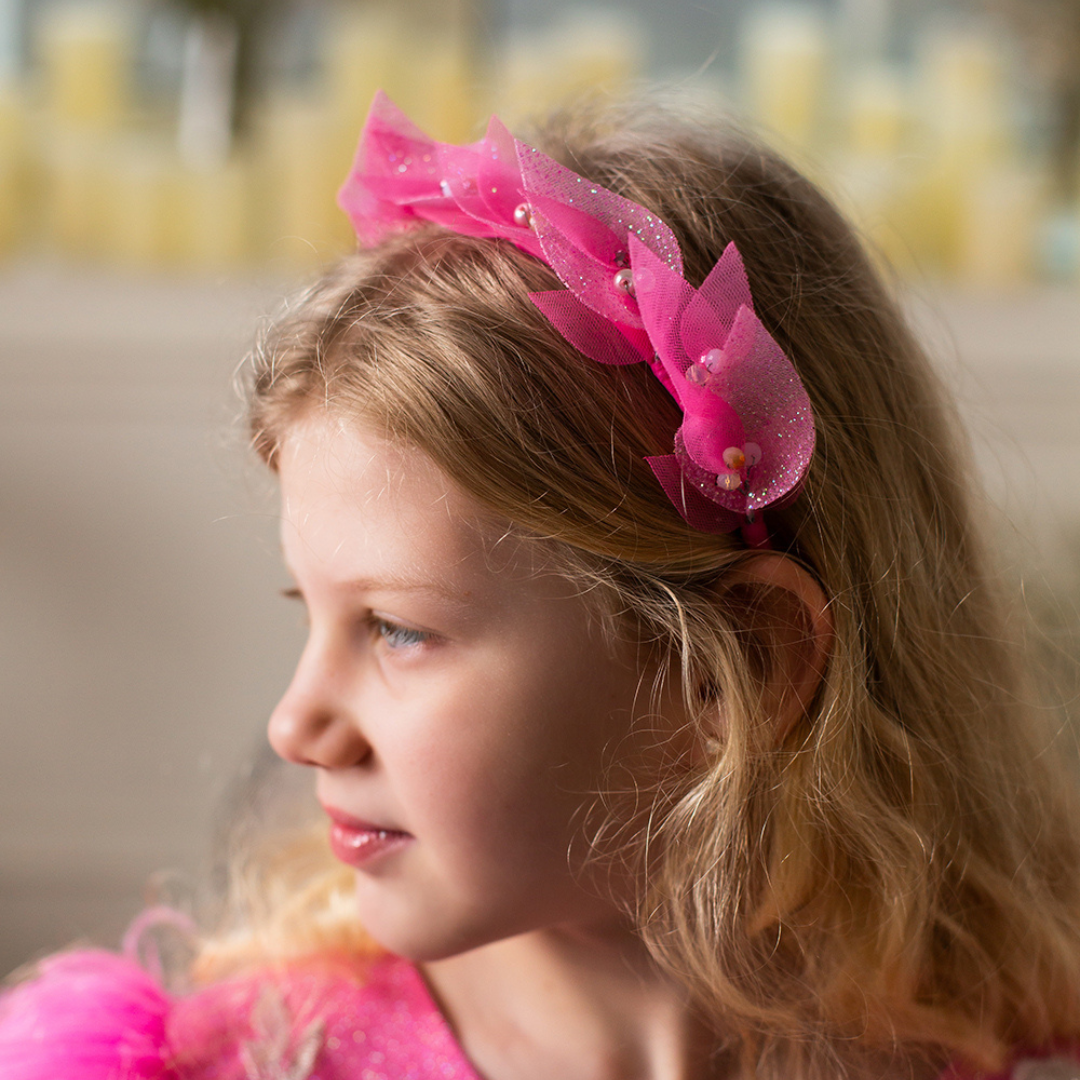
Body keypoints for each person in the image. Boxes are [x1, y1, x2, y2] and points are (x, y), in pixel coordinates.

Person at [3, 90, 1080, 1080]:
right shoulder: (238, 1065)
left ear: (741, 660)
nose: (297, 725)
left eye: (395, 630)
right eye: (313, 613)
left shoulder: (999, 1048)